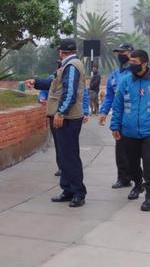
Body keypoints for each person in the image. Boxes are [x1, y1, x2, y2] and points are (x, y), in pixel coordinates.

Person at [26, 38, 87, 207]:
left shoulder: (72, 66)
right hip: (63, 117)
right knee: (63, 156)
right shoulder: (65, 65)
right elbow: (53, 82)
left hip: (67, 118)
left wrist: (61, 112)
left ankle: (78, 192)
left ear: (61, 51)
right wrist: (36, 82)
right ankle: (67, 189)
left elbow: (69, 93)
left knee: (70, 156)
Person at [110, 49, 150, 211]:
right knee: (132, 164)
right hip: (128, 131)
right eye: (131, 63)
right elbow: (118, 106)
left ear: (145, 64)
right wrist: (115, 126)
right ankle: (138, 184)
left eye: (135, 63)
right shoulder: (125, 81)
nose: (132, 66)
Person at [34, 63, 90, 178]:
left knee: (69, 145)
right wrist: (41, 97)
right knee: (59, 142)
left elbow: (83, 95)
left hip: (67, 115)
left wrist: (85, 111)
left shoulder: (76, 78)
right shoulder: (53, 77)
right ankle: (61, 167)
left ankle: (71, 172)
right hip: (54, 114)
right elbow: (45, 90)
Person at [98, 43, 135, 189]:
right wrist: (104, 112)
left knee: (138, 150)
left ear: (131, 53)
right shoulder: (114, 74)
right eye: (118, 52)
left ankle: (148, 176)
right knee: (120, 150)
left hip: (135, 117)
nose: (120, 55)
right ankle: (123, 178)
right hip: (119, 118)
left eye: (123, 52)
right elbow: (109, 96)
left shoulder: (137, 72)